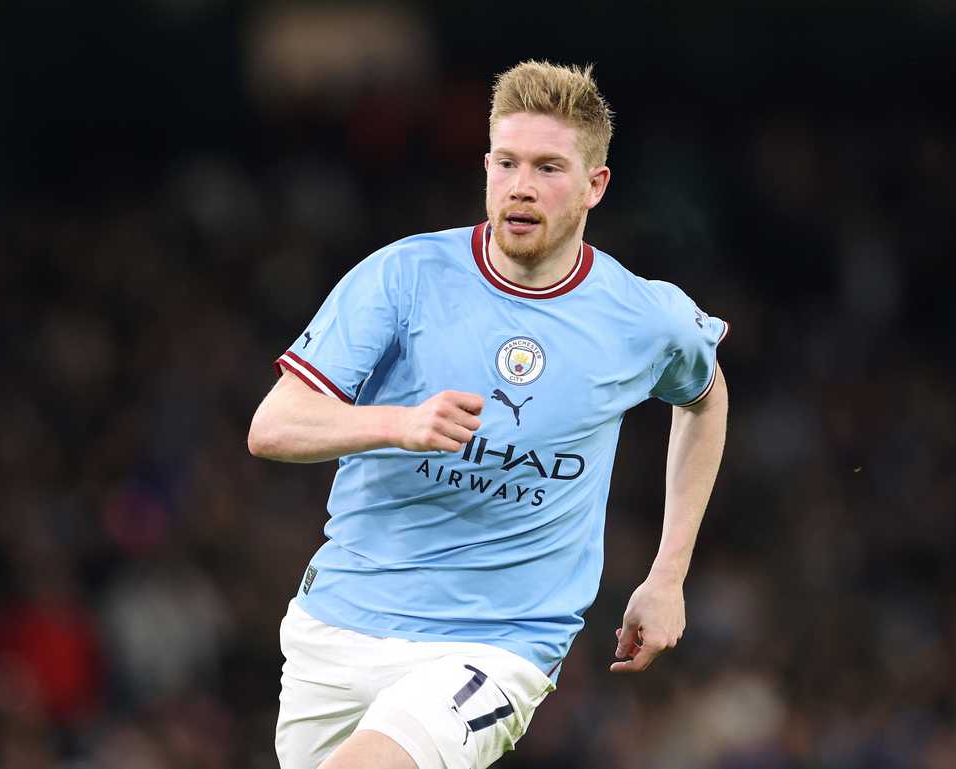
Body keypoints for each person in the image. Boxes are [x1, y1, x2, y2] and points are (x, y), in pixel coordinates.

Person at [248, 60, 729, 769]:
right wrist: (398, 424)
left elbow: (705, 398)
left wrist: (668, 575)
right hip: (341, 622)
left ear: (595, 185)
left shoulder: (644, 317)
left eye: (548, 167)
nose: (521, 186)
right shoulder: (404, 276)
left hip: (499, 641)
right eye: (506, 163)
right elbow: (274, 425)